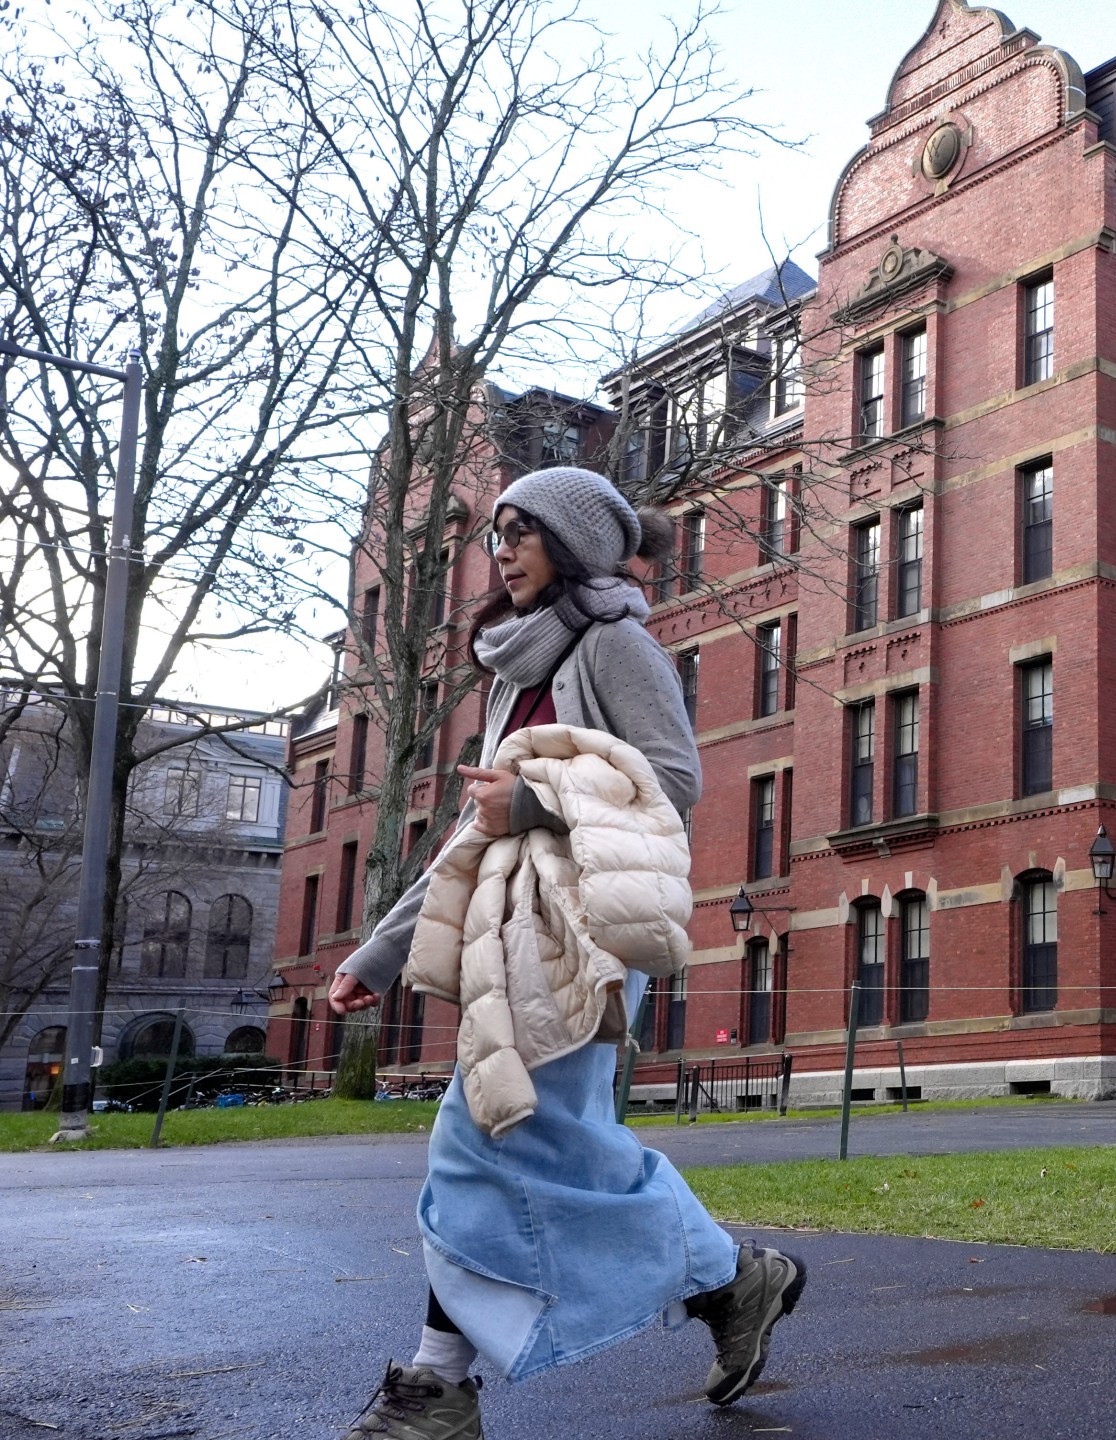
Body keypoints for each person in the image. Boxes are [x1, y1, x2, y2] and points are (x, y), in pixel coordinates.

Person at [329, 468, 805, 1439]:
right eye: (496, 534)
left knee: (477, 1132)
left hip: (585, 937)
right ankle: (733, 1282)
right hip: (511, 939)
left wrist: (537, 802)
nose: (500, 550)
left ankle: (435, 1388)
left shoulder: (617, 644)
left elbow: (674, 781)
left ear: (572, 544)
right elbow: (474, 836)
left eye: (521, 533)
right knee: (558, 1148)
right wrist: (375, 957)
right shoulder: (514, 672)